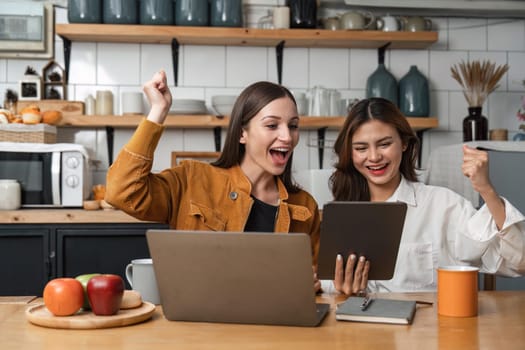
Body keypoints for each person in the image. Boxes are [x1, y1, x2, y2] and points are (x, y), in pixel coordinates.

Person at [105, 71, 321, 291]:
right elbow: (121, 192)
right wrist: (158, 110)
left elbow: (317, 281)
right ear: (241, 134)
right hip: (198, 322)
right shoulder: (191, 180)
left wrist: (314, 285)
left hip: (278, 323)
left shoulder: (304, 206)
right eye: (272, 125)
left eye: (293, 126)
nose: (287, 136)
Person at [326, 97, 525, 295]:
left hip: (428, 326)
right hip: (358, 326)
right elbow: (325, 283)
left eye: (384, 144)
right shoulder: (341, 214)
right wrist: (341, 290)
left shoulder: (443, 206)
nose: (374, 157)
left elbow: (518, 262)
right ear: (350, 154)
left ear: (403, 143)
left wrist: (486, 189)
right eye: (361, 148)